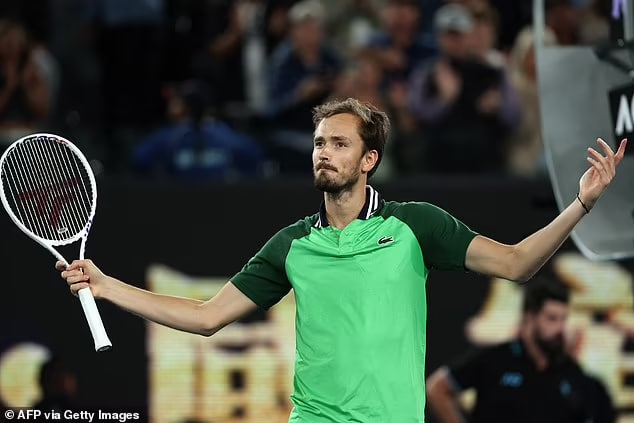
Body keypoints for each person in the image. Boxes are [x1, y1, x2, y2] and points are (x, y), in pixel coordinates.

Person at [57, 98, 627, 422]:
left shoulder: (416, 225)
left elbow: (517, 263)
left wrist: (581, 203)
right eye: (319, 144)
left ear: (369, 159)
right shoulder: (293, 244)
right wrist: (107, 287)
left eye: (340, 144)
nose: (324, 154)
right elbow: (208, 317)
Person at [426, 280, 616, 423]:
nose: (560, 328)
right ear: (530, 318)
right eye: (552, 318)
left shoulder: (573, 373)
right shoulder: (495, 359)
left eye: (563, 319)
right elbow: (437, 388)